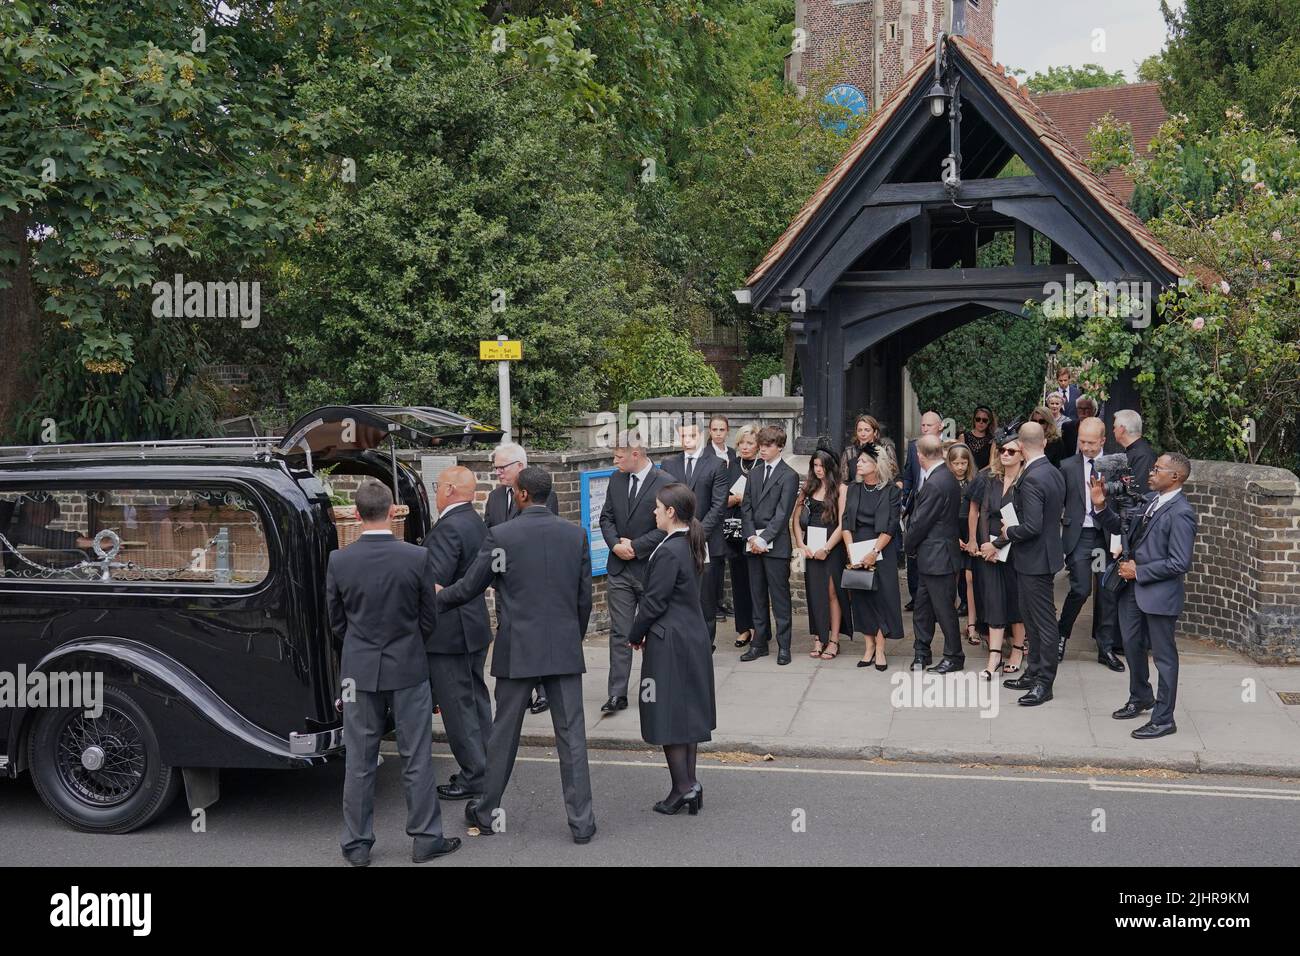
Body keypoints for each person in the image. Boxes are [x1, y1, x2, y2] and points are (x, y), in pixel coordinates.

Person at [438, 467, 597, 844]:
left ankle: (487, 812)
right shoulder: (575, 535)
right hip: (561, 647)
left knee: (504, 737)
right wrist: (569, 639)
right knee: (572, 736)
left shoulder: (502, 535)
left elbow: (469, 588)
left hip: (518, 649)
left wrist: (434, 596)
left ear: (522, 494)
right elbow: (584, 600)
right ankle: (582, 823)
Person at [327, 479, 459, 866]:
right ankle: (424, 839)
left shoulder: (340, 560)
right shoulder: (416, 557)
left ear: (355, 513)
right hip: (408, 667)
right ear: (392, 511)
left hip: (359, 672)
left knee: (360, 760)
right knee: (416, 756)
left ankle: (356, 845)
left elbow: (336, 622)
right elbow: (428, 617)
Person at [1091, 453, 1198, 739]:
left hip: (1158, 595)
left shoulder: (1181, 512)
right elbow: (1123, 529)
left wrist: (1139, 571)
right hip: (1132, 592)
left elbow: (1180, 562)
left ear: (1175, 477)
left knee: (1164, 657)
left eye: (1157, 469)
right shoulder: (1151, 501)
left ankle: (1164, 719)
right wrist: (1101, 507)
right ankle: (1141, 697)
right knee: (1132, 645)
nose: (1150, 473)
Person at [628, 482, 718, 815]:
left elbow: (653, 603)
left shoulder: (668, 551)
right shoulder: (691, 543)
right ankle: (688, 785)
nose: (653, 512)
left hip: (670, 641)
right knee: (687, 714)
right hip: (691, 636)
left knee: (667, 714)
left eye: (656, 507)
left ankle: (683, 787)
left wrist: (634, 633)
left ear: (670, 512)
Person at [423, 466, 495, 803]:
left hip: (450, 632)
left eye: (438, 485)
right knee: (477, 700)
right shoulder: (475, 521)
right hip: (474, 626)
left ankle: (473, 776)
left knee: (457, 707)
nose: (435, 490)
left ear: (450, 489)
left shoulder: (448, 528)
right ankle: (488, 764)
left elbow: (434, 584)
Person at [485, 441, 560, 715]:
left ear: (520, 466)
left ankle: (542, 690)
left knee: (533, 636)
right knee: (508, 634)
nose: (498, 473)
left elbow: (546, 538)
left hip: (530, 581)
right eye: (495, 468)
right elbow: (488, 533)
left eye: (502, 467)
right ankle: (520, 690)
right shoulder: (494, 497)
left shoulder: (543, 495)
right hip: (502, 581)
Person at [994, 422, 1067, 706]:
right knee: (1032, 619)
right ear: (1045, 443)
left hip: (1035, 558)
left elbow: (1033, 526)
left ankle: (1043, 683)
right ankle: (1033, 671)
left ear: (1021, 447)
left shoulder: (1034, 477)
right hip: (1039, 556)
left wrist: (1008, 532)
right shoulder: (1053, 471)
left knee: (1043, 623)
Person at [597, 436, 671, 713]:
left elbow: (668, 527)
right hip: (619, 569)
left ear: (636, 454)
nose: (614, 461)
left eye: (618, 456)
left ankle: (652, 690)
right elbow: (606, 518)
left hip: (650, 568)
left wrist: (636, 547)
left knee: (653, 632)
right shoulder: (616, 480)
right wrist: (616, 545)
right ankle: (617, 694)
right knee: (620, 632)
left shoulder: (665, 481)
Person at [1057, 418, 1126, 672]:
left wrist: (1120, 539)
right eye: (1081, 441)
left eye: (1090, 442)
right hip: (1081, 535)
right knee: (1081, 588)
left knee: (1108, 591)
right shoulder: (1067, 466)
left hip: (1107, 535)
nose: (1085, 447)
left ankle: (1105, 647)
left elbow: (1122, 503)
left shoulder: (1116, 464)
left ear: (1103, 441)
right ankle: (1061, 634)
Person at [661, 420, 730, 650]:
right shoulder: (669, 464)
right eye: (682, 436)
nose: (686, 440)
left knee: (706, 598)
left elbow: (719, 505)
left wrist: (696, 533)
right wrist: (679, 533)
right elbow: (664, 500)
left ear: (700, 435)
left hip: (706, 541)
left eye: (690, 435)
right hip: (676, 541)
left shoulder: (717, 465)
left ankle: (705, 645)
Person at [739, 425, 799, 665]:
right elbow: (746, 507)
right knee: (757, 596)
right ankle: (759, 643)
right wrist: (752, 537)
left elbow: (783, 514)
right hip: (754, 543)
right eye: (761, 446)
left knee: (780, 598)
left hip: (776, 546)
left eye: (767, 446)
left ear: (780, 447)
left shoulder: (789, 475)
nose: (762, 450)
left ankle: (784, 646)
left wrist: (764, 539)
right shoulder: (753, 473)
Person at [971, 434, 1027, 678]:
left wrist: (998, 545)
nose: (1005, 454)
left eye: (1011, 451)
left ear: (1022, 455)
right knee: (993, 600)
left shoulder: (1026, 483)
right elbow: (983, 511)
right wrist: (985, 544)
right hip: (990, 549)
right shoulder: (992, 479)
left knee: (1015, 601)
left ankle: (1017, 649)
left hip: (1015, 549)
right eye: (1003, 450)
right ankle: (994, 655)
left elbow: (1024, 521)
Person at [906, 434, 964, 672]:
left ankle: (954, 655)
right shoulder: (945, 477)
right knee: (923, 608)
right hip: (934, 557)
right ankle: (922, 651)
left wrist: (908, 546)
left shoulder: (936, 482)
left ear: (920, 456)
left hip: (938, 556)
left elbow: (920, 522)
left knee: (943, 610)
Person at [842, 447, 903, 670]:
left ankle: (880, 648)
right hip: (856, 548)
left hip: (881, 551)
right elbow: (846, 521)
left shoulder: (891, 491)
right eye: (859, 461)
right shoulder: (854, 489)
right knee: (861, 599)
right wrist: (851, 550)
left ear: (877, 465)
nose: (858, 464)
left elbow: (891, 526)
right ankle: (868, 647)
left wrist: (874, 552)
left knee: (882, 600)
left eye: (864, 461)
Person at [794, 447, 851, 660]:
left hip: (832, 547)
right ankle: (819, 636)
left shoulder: (841, 489)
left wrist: (826, 548)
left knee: (832, 592)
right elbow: (796, 518)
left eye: (822, 466)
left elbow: (843, 523)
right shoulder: (808, 488)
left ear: (831, 466)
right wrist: (801, 544)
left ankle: (834, 639)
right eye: (815, 465)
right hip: (811, 548)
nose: (818, 470)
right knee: (815, 592)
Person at [901, 410, 945, 611]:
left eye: (929, 425)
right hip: (917, 502)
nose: (925, 428)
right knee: (912, 548)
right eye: (923, 425)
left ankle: (938, 597)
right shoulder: (913, 447)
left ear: (940, 426)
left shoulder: (948, 448)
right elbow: (909, 475)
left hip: (939, 505)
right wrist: (904, 501)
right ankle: (915, 595)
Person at [726, 424, 760, 649]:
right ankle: (743, 628)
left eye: (750, 443)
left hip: (755, 532)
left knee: (756, 583)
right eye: (742, 443)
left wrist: (746, 498)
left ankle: (759, 628)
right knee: (739, 581)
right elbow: (721, 500)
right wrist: (736, 499)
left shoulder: (762, 466)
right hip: (733, 531)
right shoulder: (730, 467)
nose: (745, 447)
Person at [946, 443, 979, 644]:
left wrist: (971, 539)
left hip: (970, 532)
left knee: (970, 579)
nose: (960, 467)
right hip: (951, 532)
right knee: (951, 580)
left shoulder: (973, 483)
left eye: (963, 463)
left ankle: (972, 624)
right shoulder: (946, 482)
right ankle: (951, 625)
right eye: (956, 463)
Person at [707, 415, 739, 619]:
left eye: (722, 430)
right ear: (709, 431)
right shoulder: (705, 454)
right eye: (715, 430)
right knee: (714, 560)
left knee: (727, 559)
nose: (718, 433)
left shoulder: (733, 454)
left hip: (732, 511)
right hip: (714, 511)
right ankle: (713, 604)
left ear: (727, 431)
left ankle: (721, 601)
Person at [843, 414, 898, 482]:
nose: (863, 434)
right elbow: (844, 480)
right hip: (856, 490)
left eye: (867, 430)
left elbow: (895, 476)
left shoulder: (886, 448)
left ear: (875, 432)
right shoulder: (849, 452)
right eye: (859, 430)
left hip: (882, 489)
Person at [1113, 410, 1157, 495]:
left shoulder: (1144, 455)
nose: (1113, 431)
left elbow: (1141, 491)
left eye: (1114, 427)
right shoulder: (1133, 452)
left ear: (1122, 429)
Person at [958, 406, 997, 471]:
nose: (981, 422)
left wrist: (978, 475)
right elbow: (958, 459)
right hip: (964, 475)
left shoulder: (993, 440)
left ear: (989, 421)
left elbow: (992, 464)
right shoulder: (963, 437)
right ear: (974, 420)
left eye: (985, 420)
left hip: (983, 478)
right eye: (978, 419)